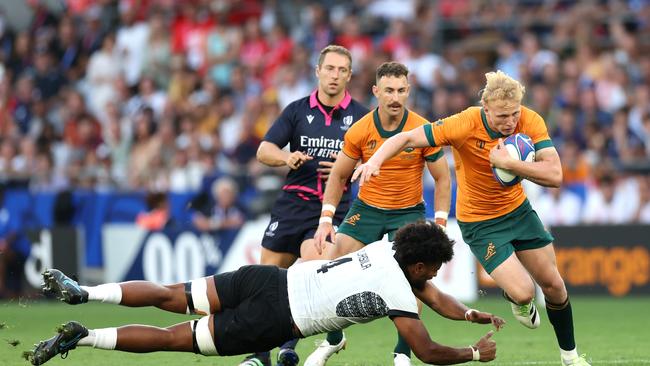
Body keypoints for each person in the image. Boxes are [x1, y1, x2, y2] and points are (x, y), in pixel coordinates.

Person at [352, 70, 591, 366]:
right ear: (486, 108)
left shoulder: (531, 120)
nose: (510, 122)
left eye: (514, 114)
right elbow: (407, 137)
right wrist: (374, 160)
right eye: (502, 115)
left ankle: (571, 358)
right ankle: (517, 298)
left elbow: (555, 175)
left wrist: (510, 163)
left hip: (518, 211)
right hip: (481, 223)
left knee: (554, 285)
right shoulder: (464, 123)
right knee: (524, 291)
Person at [27, 221, 503, 366]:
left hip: (269, 279)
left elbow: (436, 296)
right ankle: (82, 337)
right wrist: (475, 355)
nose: (436, 275)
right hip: (276, 322)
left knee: (171, 293)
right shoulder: (399, 289)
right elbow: (425, 350)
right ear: (420, 266)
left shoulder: (385, 248)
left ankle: (84, 291)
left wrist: (469, 315)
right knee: (175, 338)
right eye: (436, 267)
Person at [308, 61, 451, 366]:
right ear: (376, 92)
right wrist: (326, 220)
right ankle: (335, 339)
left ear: (408, 91)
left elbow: (443, 178)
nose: (395, 97)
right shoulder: (361, 130)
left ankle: (402, 352)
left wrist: (439, 222)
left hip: (407, 212)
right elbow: (338, 176)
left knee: (412, 281)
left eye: (401, 90)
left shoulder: (422, 128)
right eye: (388, 90)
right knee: (331, 269)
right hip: (366, 210)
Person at [251, 45, 369, 365]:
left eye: (341, 70)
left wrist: (349, 168)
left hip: (330, 211)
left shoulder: (360, 117)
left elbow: (374, 163)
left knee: (310, 272)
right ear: (317, 71)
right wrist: (285, 157)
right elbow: (264, 149)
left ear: (349, 75)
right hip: (292, 204)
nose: (334, 75)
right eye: (329, 68)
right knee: (265, 282)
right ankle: (260, 353)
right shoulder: (296, 110)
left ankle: (287, 345)